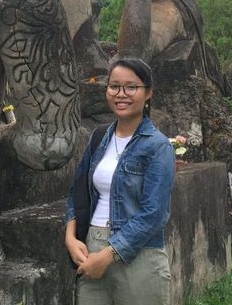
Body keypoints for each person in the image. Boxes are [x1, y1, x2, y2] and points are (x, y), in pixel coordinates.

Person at [65, 58, 175, 304]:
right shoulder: (98, 138)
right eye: (114, 86)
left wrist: (107, 255)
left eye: (131, 87)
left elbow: (154, 214)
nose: (121, 94)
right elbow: (78, 192)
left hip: (138, 254)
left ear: (148, 93)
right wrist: (71, 238)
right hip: (90, 249)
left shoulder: (157, 147)